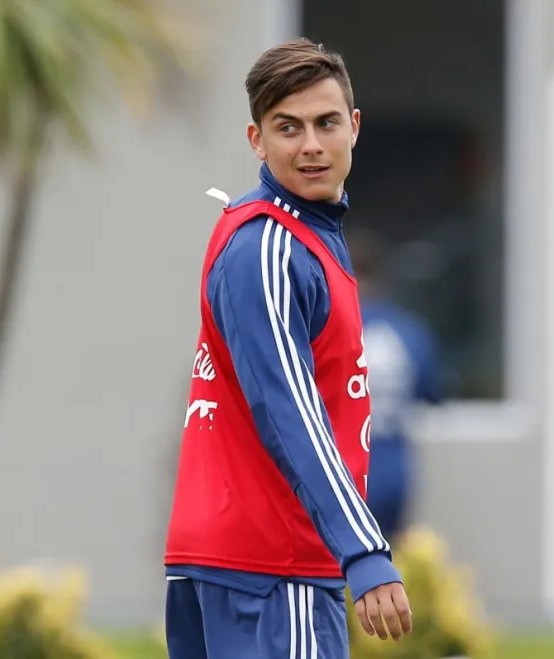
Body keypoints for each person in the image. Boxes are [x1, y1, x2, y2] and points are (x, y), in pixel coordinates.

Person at [164, 39, 413, 657]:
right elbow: (288, 410)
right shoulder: (270, 247)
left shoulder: (302, 235)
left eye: (326, 123)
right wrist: (364, 549)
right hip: (274, 566)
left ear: (353, 127)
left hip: (241, 560)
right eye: (287, 127)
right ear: (256, 140)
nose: (310, 145)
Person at [349, 228, 444, 544]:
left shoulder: (323, 329)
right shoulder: (407, 330)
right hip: (393, 468)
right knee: (385, 568)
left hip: (341, 467)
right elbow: (432, 393)